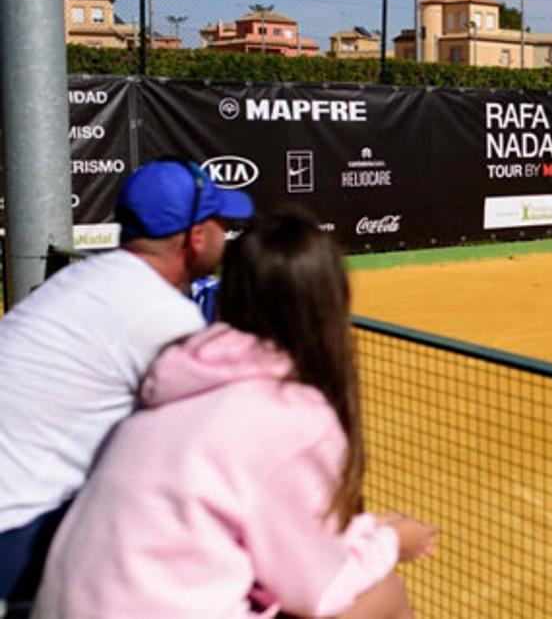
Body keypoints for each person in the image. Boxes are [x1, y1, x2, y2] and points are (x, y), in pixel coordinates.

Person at [34, 212, 437, 618]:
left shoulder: (176, 382)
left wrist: (364, 534)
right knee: (381, 591)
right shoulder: (292, 414)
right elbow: (318, 593)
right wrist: (391, 543)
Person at [0, 159, 253, 603]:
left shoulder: (85, 277)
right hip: (17, 535)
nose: (224, 231)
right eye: (219, 220)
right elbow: (210, 459)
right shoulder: (165, 315)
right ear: (194, 239)